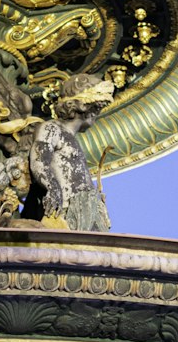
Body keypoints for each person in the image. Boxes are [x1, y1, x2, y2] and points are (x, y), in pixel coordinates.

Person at [23, 73, 113, 231]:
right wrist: (51, 187)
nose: (97, 114)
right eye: (96, 108)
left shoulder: (72, 138)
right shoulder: (52, 128)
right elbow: (39, 160)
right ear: (84, 105)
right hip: (67, 210)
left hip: (88, 209)